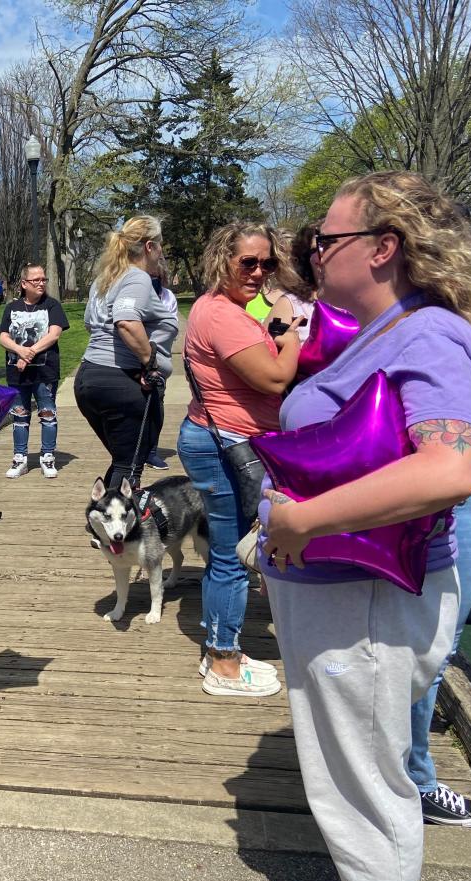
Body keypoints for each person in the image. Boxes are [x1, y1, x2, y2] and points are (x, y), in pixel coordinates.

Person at [264, 172, 471, 881]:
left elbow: (449, 467)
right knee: (356, 770)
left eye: (329, 238)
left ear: (383, 248)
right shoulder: (392, 331)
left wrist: (303, 522)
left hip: (366, 596)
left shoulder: (430, 333)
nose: (314, 250)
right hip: (347, 589)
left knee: (361, 784)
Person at [178, 222, 292, 699]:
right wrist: (293, 332)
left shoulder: (228, 309)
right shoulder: (221, 315)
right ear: (222, 260)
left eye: (267, 263)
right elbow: (273, 380)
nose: (259, 271)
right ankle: (223, 661)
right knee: (229, 555)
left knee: (228, 551)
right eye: (248, 262)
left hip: (225, 440)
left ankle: (221, 648)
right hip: (225, 445)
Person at [74, 215, 179, 492]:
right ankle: (116, 531)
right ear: (148, 247)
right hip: (120, 380)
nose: (161, 252)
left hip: (89, 378)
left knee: (124, 459)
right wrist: (150, 363)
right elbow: (125, 319)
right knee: (130, 463)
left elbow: (90, 322)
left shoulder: (105, 279)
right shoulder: (136, 278)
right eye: (159, 245)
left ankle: (104, 518)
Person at [0, 263, 69, 478]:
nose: (41, 283)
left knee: (47, 414)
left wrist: (28, 354)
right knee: (20, 416)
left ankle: (47, 456)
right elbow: (3, 337)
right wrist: (20, 351)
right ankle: (20, 458)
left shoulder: (52, 306)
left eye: (43, 279)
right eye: (36, 280)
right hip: (17, 372)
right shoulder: (12, 308)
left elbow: (54, 334)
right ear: (24, 283)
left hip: (44, 372)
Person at [143, 259, 181, 471]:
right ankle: (133, 450)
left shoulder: (168, 297)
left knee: (156, 402)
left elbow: (170, 328)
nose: (152, 280)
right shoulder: (131, 295)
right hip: (131, 357)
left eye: (156, 277)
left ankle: (151, 451)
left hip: (159, 358)